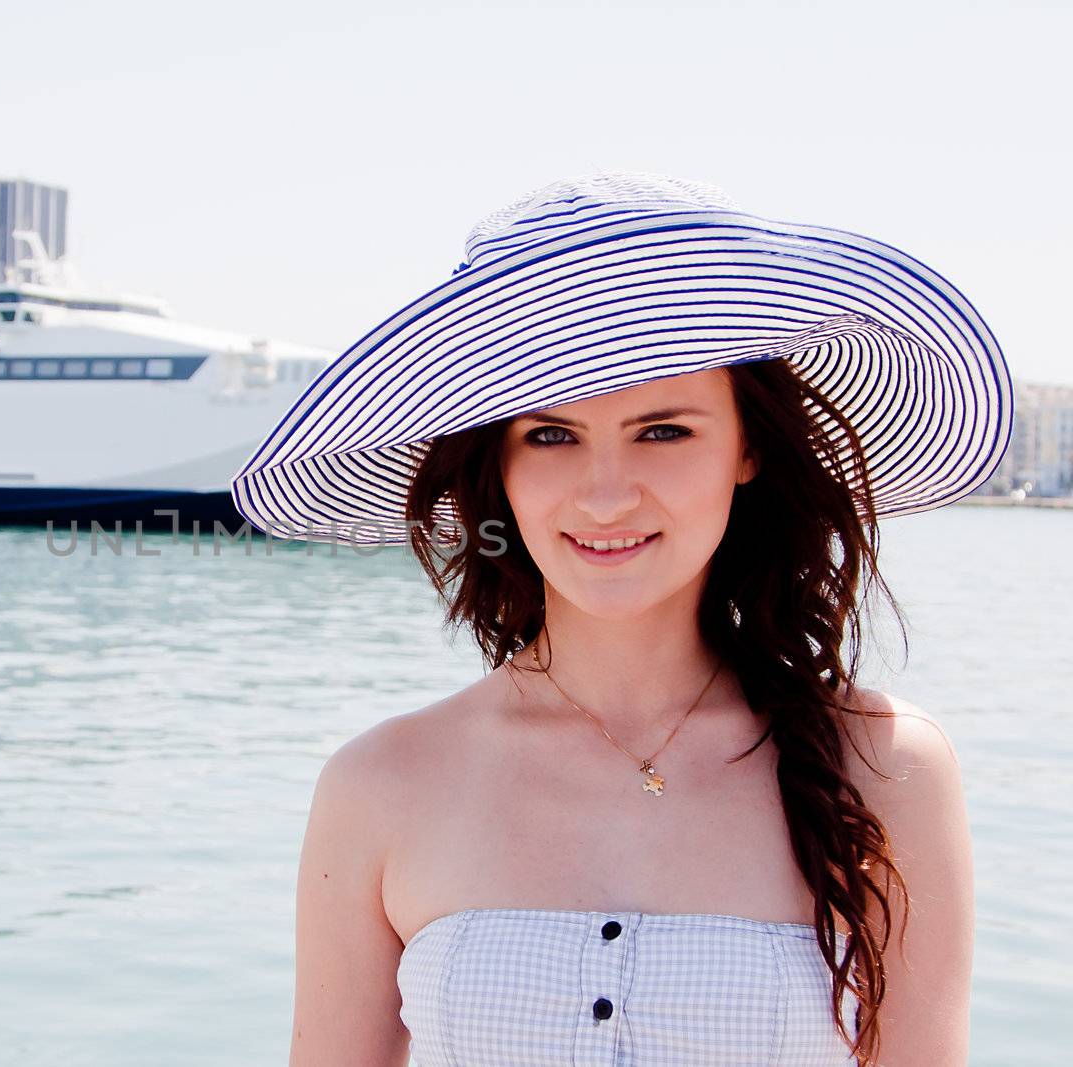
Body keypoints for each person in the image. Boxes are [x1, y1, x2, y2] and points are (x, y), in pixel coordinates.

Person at [230, 172, 1011, 1066]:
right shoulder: (381, 782)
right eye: (552, 435)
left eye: (664, 431)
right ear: (500, 468)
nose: (606, 495)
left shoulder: (882, 766)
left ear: (748, 448)